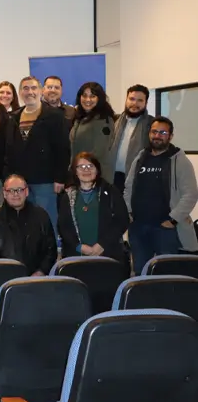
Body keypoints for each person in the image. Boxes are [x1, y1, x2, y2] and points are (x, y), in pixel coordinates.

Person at [124, 116, 198, 273]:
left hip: (165, 229)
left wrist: (173, 219)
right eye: (154, 131)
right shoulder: (141, 157)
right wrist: (128, 212)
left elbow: (190, 194)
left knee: (167, 272)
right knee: (140, 271)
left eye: (163, 132)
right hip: (138, 227)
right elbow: (128, 187)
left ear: (170, 136)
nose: (157, 135)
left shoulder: (179, 159)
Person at [9, 76, 70, 233]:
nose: (30, 92)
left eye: (33, 88)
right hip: (21, 182)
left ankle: (52, 254)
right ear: (20, 93)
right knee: (25, 223)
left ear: (41, 91)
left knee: (47, 220)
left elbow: (62, 148)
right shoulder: (14, 117)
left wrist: (60, 178)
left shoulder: (54, 115)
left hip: (46, 180)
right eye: (25, 88)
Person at [58, 152, 129, 263]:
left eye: (91, 166)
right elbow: (63, 227)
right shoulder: (66, 195)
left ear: (97, 170)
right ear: (75, 171)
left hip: (108, 255)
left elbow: (122, 220)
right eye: (81, 167)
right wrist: (79, 247)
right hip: (75, 257)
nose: (86, 170)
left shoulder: (111, 192)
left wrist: (102, 245)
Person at [0, 175, 57, 276]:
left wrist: (40, 272)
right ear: (4, 193)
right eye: (11, 191)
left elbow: (51, 250)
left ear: (26, 192)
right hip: (3, 280)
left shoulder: (41, 215)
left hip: (37, 279)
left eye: (20, 190)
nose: (15, 194)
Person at [104, 84, 152, 194]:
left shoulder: (151, 124)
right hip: (112, 178)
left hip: (137, 179)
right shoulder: (114, 121)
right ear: (126, 100)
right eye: (132, 99)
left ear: (146, 103)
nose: (135, 103)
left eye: (140, 100)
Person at [70, 82, 116, 180]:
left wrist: (83, 170)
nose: (88, 100)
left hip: (94, 176)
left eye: (92, 96)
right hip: (79, 174)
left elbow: (100, 152)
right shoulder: (80, 118)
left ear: (99, 99)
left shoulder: (104, 120)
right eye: (84, 96)